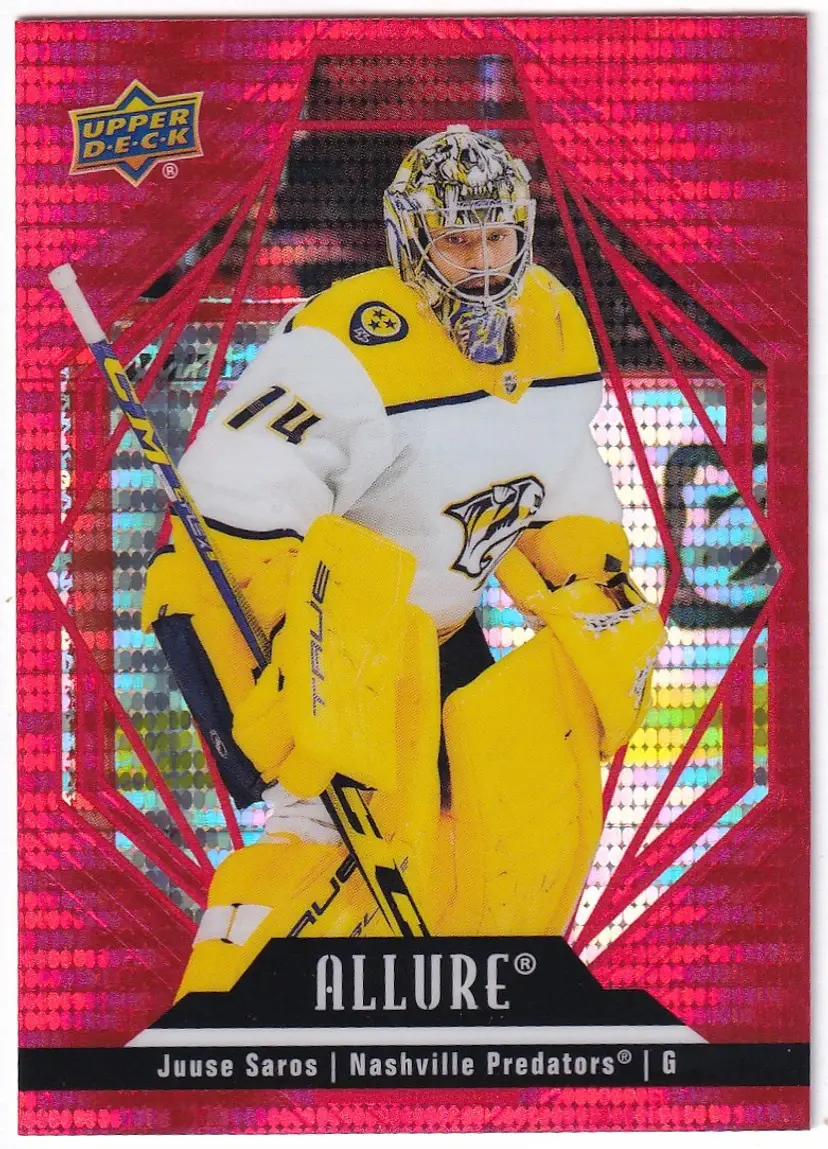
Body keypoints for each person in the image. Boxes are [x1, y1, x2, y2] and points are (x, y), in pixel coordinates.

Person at [142, 125, 665, 998]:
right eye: (459, 239)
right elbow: (231, 493)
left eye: (498, 236)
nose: (484, 263)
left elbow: (556, 468)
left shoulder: (554, 324)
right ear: (411, 238)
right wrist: (293, 654)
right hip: (324, 628)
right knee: (327, 834)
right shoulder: (348, 342)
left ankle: (447, 1009)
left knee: (489, 830)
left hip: (437, 632)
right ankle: (227, 1001)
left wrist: (589, 577)